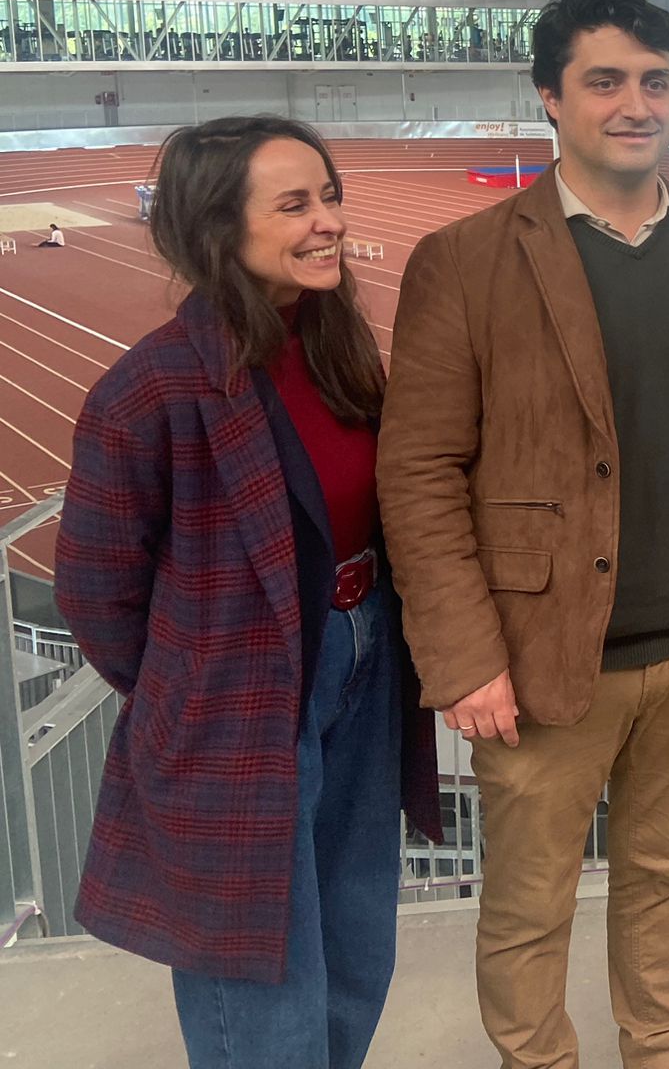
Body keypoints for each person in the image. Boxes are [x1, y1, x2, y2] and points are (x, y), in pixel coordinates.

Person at [377, 0, 669, 1069]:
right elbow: (420, 473)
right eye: (603, 80)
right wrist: (466, 659)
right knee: (528, 905)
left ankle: (663, 1052)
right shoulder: (464, 262)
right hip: (538, 658)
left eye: (654, 81)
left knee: (667, 876)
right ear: (548, 99)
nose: (634, 103)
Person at [54, 115, 442, 1069]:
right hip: (236, 699)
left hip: (363, 663)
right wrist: (198, 681)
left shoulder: (340, 349)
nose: (329, 222)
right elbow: (96, 593)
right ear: (219, 228)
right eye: (296, 204)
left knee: (355, 941)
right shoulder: (149, 390)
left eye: (331, 196)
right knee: (260, 976)